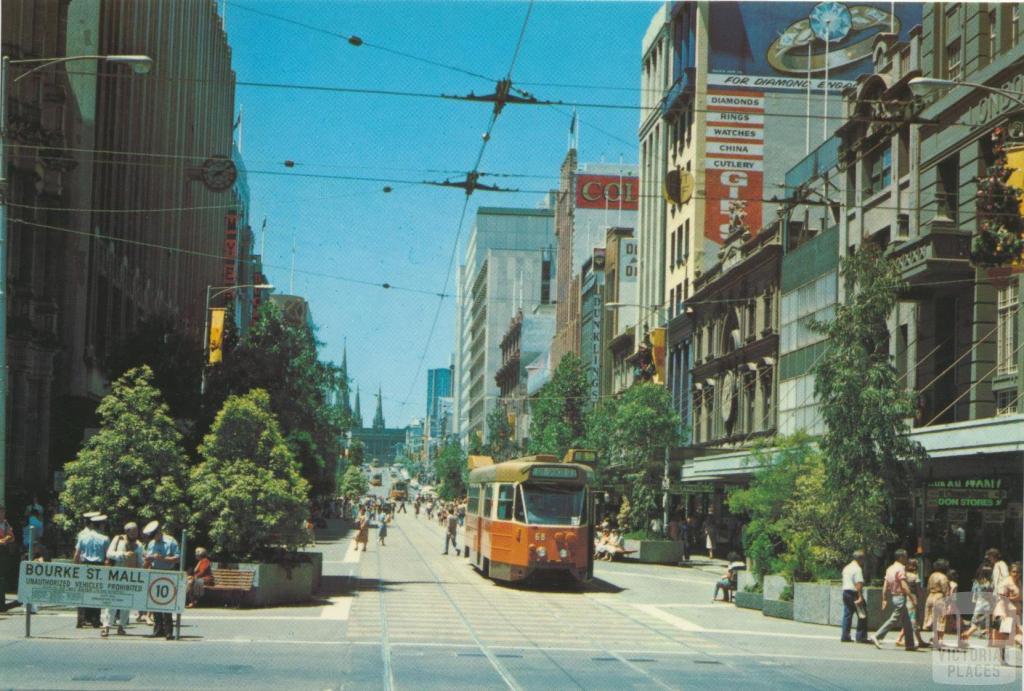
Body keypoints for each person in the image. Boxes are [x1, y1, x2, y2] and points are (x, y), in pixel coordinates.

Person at [870, 548, 918, 651]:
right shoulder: (900, 568)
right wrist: (911, 596)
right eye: (905, 556)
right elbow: (903, 584)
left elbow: (885, 585)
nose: (907, 558)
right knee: (894, 619)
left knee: (907, 622)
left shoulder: (890, 569)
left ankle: (910, 645)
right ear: (900, 557)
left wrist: (884, 599)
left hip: (894, 596)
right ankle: (877, 635)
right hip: (900, 596)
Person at [103, 521, 143, 636]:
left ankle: (122, 626)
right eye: (133, 531)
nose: (135, 533)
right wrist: (123, 555)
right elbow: (109, 554)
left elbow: (140, 561)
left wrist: (140, 572)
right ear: (127, 531)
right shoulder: (118, 539)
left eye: (136, 530)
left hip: (130, 576)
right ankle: (106, 627)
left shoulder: (139, 545)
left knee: (126, 602)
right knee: (111, 601)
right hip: (116, 574)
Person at [143, 521, 180, 640]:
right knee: (155, 603)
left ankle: (168, 631)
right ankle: (158, 629)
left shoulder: (171, 541)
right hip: (155, 572)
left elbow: (177, 558)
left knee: (167, 603)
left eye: (155, 535)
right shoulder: (151, 543)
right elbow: (147, 558)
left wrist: (163, 558)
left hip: (168, 573)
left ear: (159, 532)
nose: (154, 538)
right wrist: (150, 558)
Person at [74, 513, 110, 629]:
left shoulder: (83, 537)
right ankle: (95, 620)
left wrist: (75, 568)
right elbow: (107, 556)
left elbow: (77, 554)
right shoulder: (104, 538)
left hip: (84, 565)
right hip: (98, 566)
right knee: (96, 592)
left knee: (83, 591)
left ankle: (81, 619)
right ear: (101, 525)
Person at [896, 559, 929, 649]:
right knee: (913, 621)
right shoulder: (915, 577)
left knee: (908, 621)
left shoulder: (903, 575)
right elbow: (918, 590)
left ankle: (900, 638)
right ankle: (920, 641)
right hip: (912, 599)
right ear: (914, 567)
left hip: (904, 598)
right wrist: (921, 599)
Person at [840, 550, 868, 643]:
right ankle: (861, 637)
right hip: (854, 593)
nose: (864, 561)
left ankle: (845, 635)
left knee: (847, 614)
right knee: (862, 614)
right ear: (860, 559)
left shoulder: (847, 568)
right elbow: (858, 584)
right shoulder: (857, 569)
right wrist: (860, 597)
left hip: (845, 592)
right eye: (863, 558)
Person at [960, 564, 994, 642]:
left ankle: (971, 634)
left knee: (977, 621)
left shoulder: (976, 582)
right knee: (984, 622)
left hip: (979, 603)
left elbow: (974, 595)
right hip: (987, 604)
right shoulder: (990, 583)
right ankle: (968, 634)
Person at [992, 561, 1022, 648]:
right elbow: (1002, 598)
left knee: (1012, 636)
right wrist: (1003, 615)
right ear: (1010, 572)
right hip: (1005, 612)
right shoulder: (1006, 582)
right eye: (1014, 571)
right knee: (1005, 637)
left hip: (1016, 613)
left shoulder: (1019, 582)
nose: (1016, 574)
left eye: (1018, 572)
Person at [923, 558, 950, 648]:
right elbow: (945, 590)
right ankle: (939, 640)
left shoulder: (932, 575)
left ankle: (934, 637)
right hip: (939, 597)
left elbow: (927, 588)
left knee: (932, 618)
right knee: (940, 619)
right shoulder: (943, 577)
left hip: (930, 596)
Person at [0, 505, 15, 612]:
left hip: (3, 553)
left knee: (2, 579)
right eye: (1, 512)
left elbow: (12, 537)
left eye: (3, 512)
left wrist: (6, 538)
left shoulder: (5, 523)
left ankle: (2, 603)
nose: (2, 515)